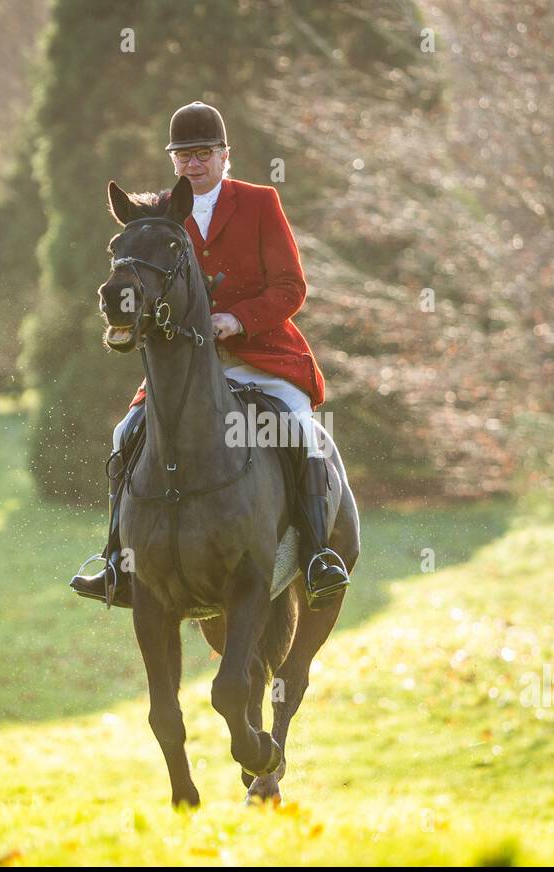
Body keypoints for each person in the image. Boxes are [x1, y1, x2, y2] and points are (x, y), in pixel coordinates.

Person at [70, 101, 350, 610]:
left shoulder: (260, 202)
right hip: (189, 371)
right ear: (173, 159)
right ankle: (116, 560)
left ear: (225, 155)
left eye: (203, 154)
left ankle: (315, 555)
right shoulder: (158, 215)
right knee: (124, 433)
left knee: (300, 430)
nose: (193, 164)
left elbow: (291, 286)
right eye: (183, 155)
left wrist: (236, 319)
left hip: (261, 358)